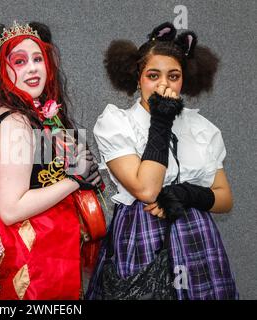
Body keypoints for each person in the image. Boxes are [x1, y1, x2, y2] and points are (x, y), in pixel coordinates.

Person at [86, 22, 238, 300]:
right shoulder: (116, 122)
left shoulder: (202, 127)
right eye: (153, 75)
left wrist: (187, 193)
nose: (164, 84)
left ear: (184, 80)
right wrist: (161, 119)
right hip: (141, 236)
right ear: (138, 78)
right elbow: (146, 190)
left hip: (197, 238)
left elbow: (225, 198)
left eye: (173, 76)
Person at [0, 21, 101, 299]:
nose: (32, 68)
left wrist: (84, 169)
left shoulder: (39, 113)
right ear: (3, 71)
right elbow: (10, 209)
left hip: (51, 246)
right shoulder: (15, 123)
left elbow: (44, 176)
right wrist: (75, 180)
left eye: (37, 59)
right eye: (19, 61)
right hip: (28, 253)